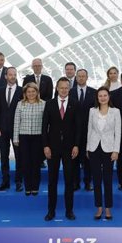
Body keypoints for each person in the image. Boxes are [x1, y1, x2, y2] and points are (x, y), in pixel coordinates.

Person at [42, 78, 79, 221]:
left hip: (70, 148)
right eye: (61, 87)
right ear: (57, 88)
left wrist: (76, 145)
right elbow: (44, 127)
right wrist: (45, 145)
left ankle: (69, 210)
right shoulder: (50, 104)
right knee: (52, 180)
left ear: (69, 89)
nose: (64, 90)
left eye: (66, 87)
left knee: (69, 180)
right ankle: (51, 211)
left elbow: (78, 127)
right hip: (53, 148)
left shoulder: (75, 104)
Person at [87, 87, 121, 220]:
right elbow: (89, 130)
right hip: (94, 148)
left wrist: (116, 150)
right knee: (96, 179)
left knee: (107, 179)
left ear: (109, 96)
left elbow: (118, 132)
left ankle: (108, 208)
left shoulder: (115, 112)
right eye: (100, 95)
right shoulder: (92, 111)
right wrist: (87, 148)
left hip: (109, 149)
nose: (102, 98)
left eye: (105, 95)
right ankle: (99, 207)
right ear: (97, 97)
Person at [0, 67, 23, 192]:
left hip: (18, 129)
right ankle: (5, 181)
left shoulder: (22, 91)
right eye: (10, 74)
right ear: (5, 76)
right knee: (4, 156)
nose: (12, 76)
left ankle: (18, 181)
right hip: (2, 129)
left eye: (14, 74)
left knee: (19, 156)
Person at [13, 83, 45, 196]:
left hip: (38, 137)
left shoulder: (43, 104)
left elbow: (46, 124)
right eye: (28, 92)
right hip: (24, 137)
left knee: (36, 163)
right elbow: (17, 121)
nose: (31, 94)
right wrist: (15, 138)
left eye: (33, 91)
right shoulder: (20, 104)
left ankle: (35, 186)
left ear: (37, 92)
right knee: (25, 163)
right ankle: (28, 187)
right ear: (25, 93)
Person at [71, 68, 96, 191]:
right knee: (74, 158)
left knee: (88, 158)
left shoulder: (94, 92)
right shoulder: (69, 92)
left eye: (83, 76)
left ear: (87, 77)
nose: (81, 78)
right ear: (76, 78)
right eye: (79, 76)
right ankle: (75, 182)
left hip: (89, 131)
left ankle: (88, 182)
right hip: (73, 131)